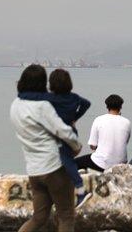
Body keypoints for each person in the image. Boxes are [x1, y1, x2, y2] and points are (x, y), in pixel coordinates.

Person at [10, 64, 82, 232]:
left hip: (34, 170)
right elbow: (63, 131)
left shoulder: (15, 105)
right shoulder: (42, 106)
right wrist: (76, 146)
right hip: (55, 168)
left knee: (39, 218)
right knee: (66, 216)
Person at [17, 68, 92, 201]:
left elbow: (34, 97)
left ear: (51, 84)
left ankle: (80, 190)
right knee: (64, 160)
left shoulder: (51, 98)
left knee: (65, 160)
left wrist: (22, 95)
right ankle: (63, 188)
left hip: (58, 134)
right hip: (71, 130)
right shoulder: (74, 97)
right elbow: (87, 104)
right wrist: (75, 117)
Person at [74, 94, 131, 172]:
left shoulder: (99, 120)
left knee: (73, 163)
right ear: (121, 107)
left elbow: (93, 146)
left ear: (107, 106)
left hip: (101, 164)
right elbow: (124, 142)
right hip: (120, 164)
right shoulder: (127, 122)